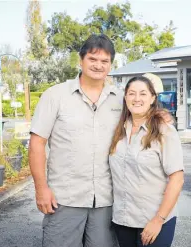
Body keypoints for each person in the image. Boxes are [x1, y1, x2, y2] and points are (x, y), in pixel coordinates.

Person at [29, 34, 120, 247]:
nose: (98, 65)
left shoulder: (121, 99)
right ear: (81, 60)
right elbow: (37, 144)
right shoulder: (55, 96)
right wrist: (41, 188)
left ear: (111, 65)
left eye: (104, 61)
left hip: (107, 201)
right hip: (64, 199)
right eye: (92, 59)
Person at [109, 76, 184, 247]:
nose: (137, 99)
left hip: (154, 219)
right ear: (125, 98)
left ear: (152, 98)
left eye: (143, 94)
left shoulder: (165, 131)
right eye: (132, 94)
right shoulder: (118, 130)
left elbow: (177, 179)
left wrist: (158, 220)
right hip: (123, 219)